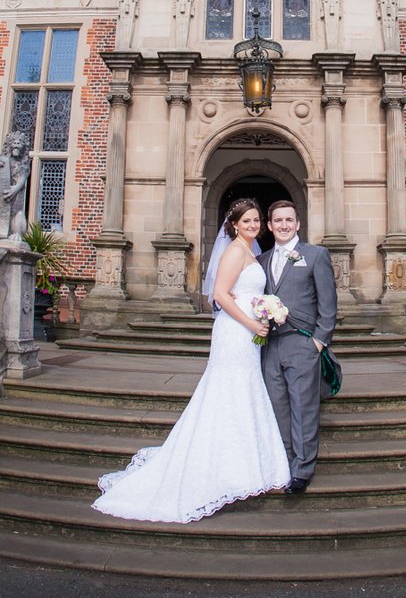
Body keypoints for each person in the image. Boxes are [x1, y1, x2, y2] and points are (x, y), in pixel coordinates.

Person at [92, 199, 289, 522]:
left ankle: (241, 462)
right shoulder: (236, 251)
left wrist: (263, 311)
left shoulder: (249, 251)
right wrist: (254, 322)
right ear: (234, 225)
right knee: (230, 391)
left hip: (245, 335)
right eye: (247, 221)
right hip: (236, 332)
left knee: (242, 392)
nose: (253, 225)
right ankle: (225, 467)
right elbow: (220, 296)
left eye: (256, 220)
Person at [260, 200, 337, 494]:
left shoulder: (315, 255)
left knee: (304, 408)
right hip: (271, 346)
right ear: (270, 225)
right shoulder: (262, 261)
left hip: (303, 343)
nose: (283, 225)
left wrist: (318, 341)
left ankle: (303, 469)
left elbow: (328, 305)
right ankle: (286, 461)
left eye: (288, 220)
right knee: (278, 406)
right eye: (277, 220)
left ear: (298, 224)